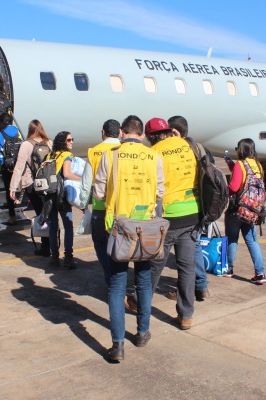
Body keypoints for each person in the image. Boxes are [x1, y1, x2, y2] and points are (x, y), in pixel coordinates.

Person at [93, 115, 165, 361]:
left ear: (122, 132)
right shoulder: (154, 156)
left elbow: (100, 192)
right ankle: (143, 333)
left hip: (117, 227)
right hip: (146, 228)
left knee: (117, 285)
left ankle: (118, 345)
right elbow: (160, 191)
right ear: (142, 134)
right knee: (143, 281)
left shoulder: (110, 155)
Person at [144, 117, 200, 331]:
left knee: (155, 266)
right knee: (186, 267)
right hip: (193, 213)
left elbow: (152, 186)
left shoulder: (154, 152)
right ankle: (186, 315)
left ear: (150, 136)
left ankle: (141, 303)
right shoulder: (188, 145)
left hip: (169, 217)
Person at [166, 115, 211, 301]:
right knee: (195, 248)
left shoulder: (177, 151)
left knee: (184, 257)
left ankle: (192, 287)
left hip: (184, 209)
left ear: (175, 132)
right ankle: (201, 286)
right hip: (200, 207)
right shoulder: (199, 148)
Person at [79, 119, 122, 285]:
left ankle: (112, 278)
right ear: (119, 132)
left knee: (101, 244)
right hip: (122, 206)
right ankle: (119, 278)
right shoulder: (124, 149)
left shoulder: (94, 152)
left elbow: (86, 183)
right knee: (122, 244)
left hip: (101, 207)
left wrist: (83, 204)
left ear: (103, 132)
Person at [225, 138, 266, 284]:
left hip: (238, 209)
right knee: (252, 240)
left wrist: (226, 187)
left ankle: (228, 269)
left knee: (232, 239)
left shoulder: (240, 165)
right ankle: (260, 273)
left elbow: (235, 187)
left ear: (241, 150)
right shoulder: (258, 166)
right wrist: (231, 165)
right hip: (253, 210)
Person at [9, 119, 53, 255]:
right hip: (48, 184)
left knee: (40, 214)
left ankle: (45, 248)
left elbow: (19, 167)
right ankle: (52, 246)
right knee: (49, 214)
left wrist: (13, 187)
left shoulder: (26, 144)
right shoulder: (49, 143)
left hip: (32, 184)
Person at [47, 131, 81, 269]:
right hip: (61, 195)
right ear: (63, 142)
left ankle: (54, 257)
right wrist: (83, 179)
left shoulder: (50, 155)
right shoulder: (67, 156)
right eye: (69, 140)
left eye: (72, 139)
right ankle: (68, 258)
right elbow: (67, 174)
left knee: (53, 226)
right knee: (68, 226)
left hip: (49, 194)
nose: (72, 142)